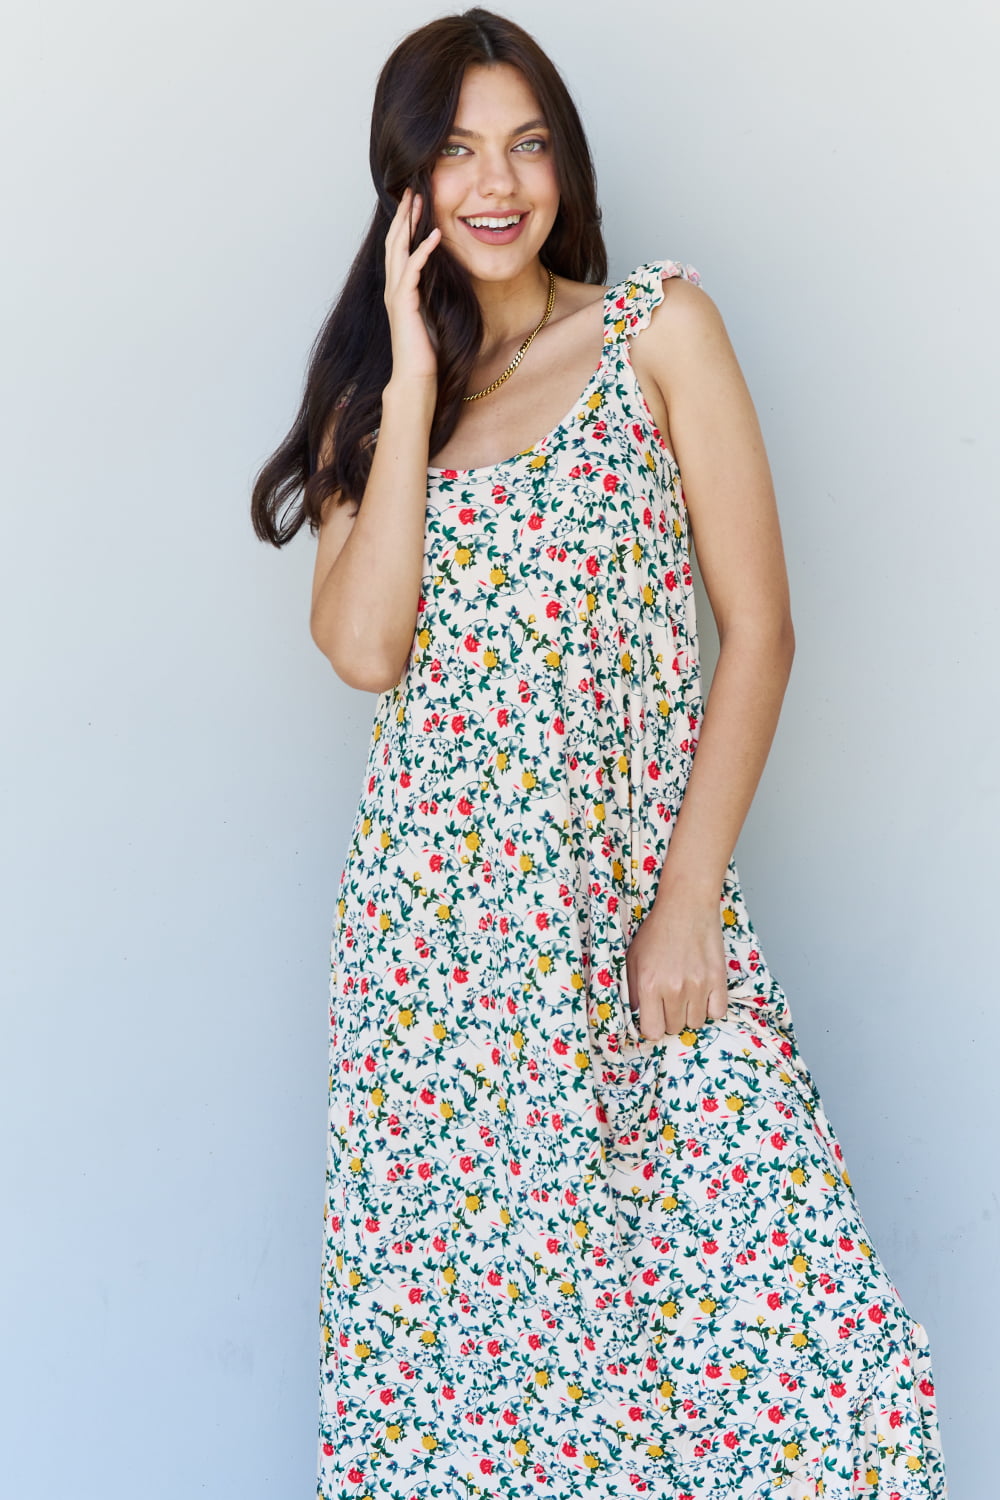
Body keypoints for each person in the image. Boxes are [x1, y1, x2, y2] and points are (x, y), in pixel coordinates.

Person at [251, 8, 948, 1497]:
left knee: (767, 1336)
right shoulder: (374, 412)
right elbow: (368, 652)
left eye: (528, 143)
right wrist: (419, 386)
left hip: (625, 907)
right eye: (455, 150)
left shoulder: (657, 331)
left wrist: (688, 897)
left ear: (564, 159)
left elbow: (758, 630)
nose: (497, 182)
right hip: (435, 962)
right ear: (407, 186)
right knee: (479, 1372)